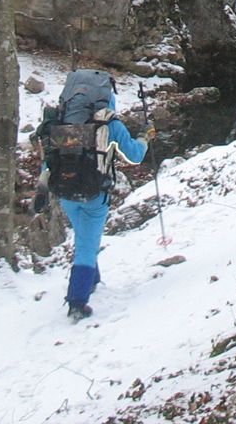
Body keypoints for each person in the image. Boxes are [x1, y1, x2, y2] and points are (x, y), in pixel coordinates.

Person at [32, 69, 151, 322]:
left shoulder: (62, 123)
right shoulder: (109, 124)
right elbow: (135, 156)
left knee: (84, 238)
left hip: (65, 192)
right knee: (86, 246)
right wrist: (144, 137)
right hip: (95, 194)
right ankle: (77, 302)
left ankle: (91, 279)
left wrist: (43, 188)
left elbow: (51, 162)